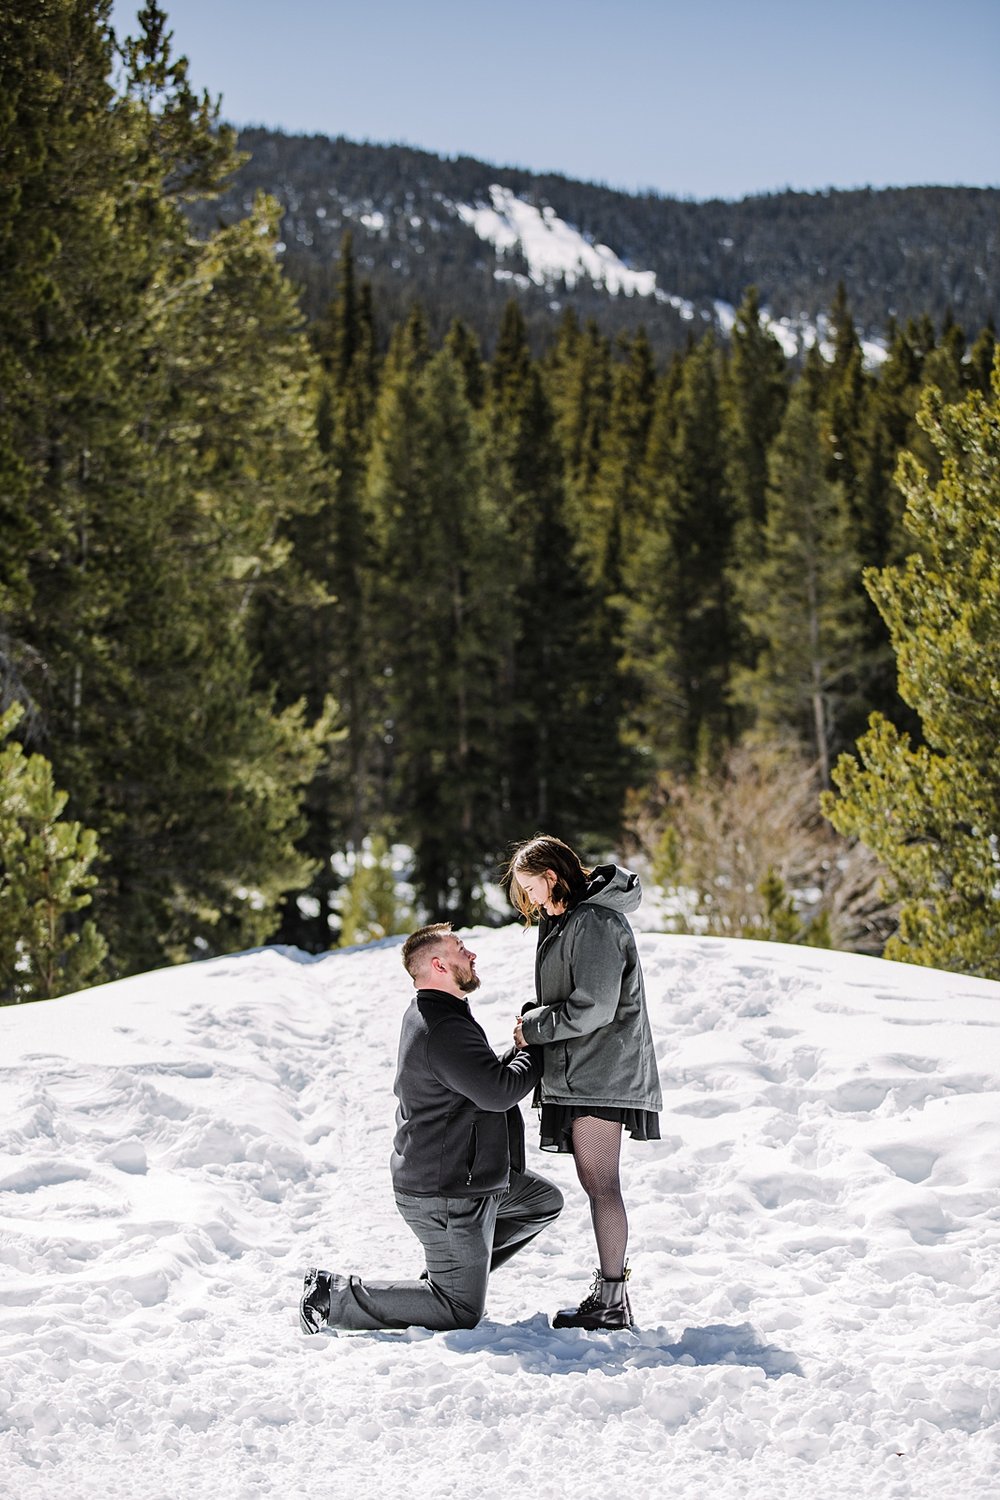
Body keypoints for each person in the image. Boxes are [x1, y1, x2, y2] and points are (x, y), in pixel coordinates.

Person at [299, 922, 563, 1334]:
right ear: (439, 964)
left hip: (472, 1177)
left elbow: (481, 1077)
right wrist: (533, 1049)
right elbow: (498, 1092)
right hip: (448, 1194)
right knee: (459, 1310)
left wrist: (519, 1047)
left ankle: (459, 1270)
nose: (471, 954)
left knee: (541, 1203)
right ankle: (332, 1297)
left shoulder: (439, 1013)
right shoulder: (441, 1027)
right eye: (461, 949)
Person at [508, 834, 662, 1331]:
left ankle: (613, 1301)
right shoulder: (567, 921)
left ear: (551, 877)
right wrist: (537, 1016)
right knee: (597, 1184)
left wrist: (535, 1027)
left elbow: (595, 1005)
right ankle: (612, 1298)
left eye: (530, 887)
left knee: (601, 1185)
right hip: (586, 1070)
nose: (528, 900)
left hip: (601, 1073)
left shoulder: (594, 920)